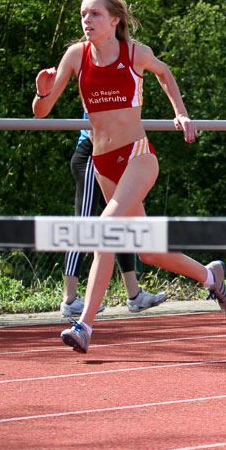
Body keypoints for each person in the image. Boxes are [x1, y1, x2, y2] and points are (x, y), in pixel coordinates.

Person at [33, 0, 226, 353]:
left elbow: (164, 73)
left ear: (115, 21)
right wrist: (43, 92)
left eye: (95, 14)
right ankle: (212, 277)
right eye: (83, 14)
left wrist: (181, 112)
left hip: (138, 155)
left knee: (105, 230)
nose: (87, 21)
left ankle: (85, 326)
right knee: (148, 252)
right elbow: (41, 112)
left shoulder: (135, 53)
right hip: (103, 163)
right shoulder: (76, 55)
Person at [60, 118, 168, 317]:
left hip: (113, 155)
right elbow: (96, 127)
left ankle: (134, 295)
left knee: (120, 222)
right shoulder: (99, 90)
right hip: (93, 155)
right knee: (85, 224)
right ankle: (70, 298)